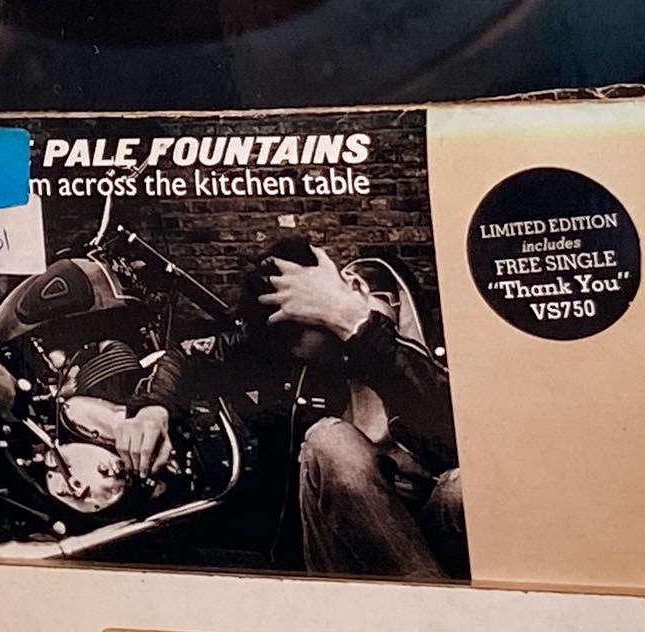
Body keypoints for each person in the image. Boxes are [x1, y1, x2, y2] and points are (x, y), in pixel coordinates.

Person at [113, 234, 466, 579]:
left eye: (333, 334)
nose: (341, 356)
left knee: (460, 489)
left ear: (351, 289)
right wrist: (152, 408)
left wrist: (355, 326)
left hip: (435, 526)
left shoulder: (431, 321)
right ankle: (434, 609)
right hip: (343, 545)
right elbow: (190, 354)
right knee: (330, 441)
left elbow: (457, 436)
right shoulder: (281, 339)